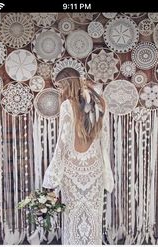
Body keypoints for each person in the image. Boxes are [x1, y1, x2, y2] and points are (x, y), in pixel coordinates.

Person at [42, 74, 114, 245]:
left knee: (72, 218)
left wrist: (51, 177)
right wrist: (106, 171)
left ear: (68, 84)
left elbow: (62, 143)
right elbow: (105, 142)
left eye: (60, 86)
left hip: (72, 172)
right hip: (94, 169)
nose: (59, 90)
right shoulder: (101, 103)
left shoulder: (68, 105)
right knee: (94, 217)